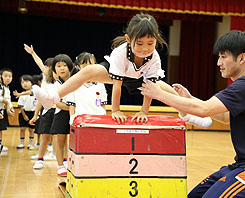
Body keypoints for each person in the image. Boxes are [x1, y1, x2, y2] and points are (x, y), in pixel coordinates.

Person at [141, 31, 245, 198]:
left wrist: (158, 94)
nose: (219, 63)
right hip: (242, 165)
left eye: (223, 57)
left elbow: (204, 109)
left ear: (241, 58)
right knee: (194, 197)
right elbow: (225, 117)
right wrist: (190, 99)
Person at [32, 13, 212, 128]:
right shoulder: (120, 52)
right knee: (87, 72)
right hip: (117, 73)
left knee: (169, 90)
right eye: (139, 44)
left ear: (156, 40)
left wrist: (144, 112)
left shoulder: (154, 56)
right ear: (128, 39)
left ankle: (187, 115)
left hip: (140, 78)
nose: (144, 49)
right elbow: (117, 85)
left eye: (150, 44)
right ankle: (53, 97)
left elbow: (150, 88)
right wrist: (116, 110)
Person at [36, 53, 73, 177]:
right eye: (58, 66)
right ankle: (60, 166)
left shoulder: (76, 81)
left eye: (64, 65)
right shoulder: (55, 86)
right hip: (61, 114)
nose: (62, 68)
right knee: (60, 140)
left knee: (73, 141)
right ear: (54, 69)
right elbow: (58, 104)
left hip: (76, 114)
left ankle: (70, 162)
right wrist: (72, 107)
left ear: (70, 67)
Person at [68, 52, 107, 125]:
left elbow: (103, 104)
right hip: (81, 120)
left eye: (91, 65)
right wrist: (72, 119)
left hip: (97, 120)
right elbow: (72, 105)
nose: (88, 68)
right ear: (79, 67)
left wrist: (103, 118)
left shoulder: (100, 84)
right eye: (85, 66)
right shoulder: (74, 84)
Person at [15, 74, 36, 149]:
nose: (24, 84)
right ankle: (22, 143)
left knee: (31, 129)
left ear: (32, 83)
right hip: (23, 113)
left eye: (27, 81)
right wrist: (24, 115)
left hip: (32, 113)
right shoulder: (21, 95)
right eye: (22, 82)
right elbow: (20, 106)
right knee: (22, 129)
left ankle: (30, 143)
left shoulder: (35, 93)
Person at [0, 68, 14, 153]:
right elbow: (3, 99)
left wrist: (11, 107)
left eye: (10, 76)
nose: (8, 78)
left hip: (2, 111)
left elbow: (8, 100)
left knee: (0, 128)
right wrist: (5, 102)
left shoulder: (7, 88)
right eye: (5, 76)